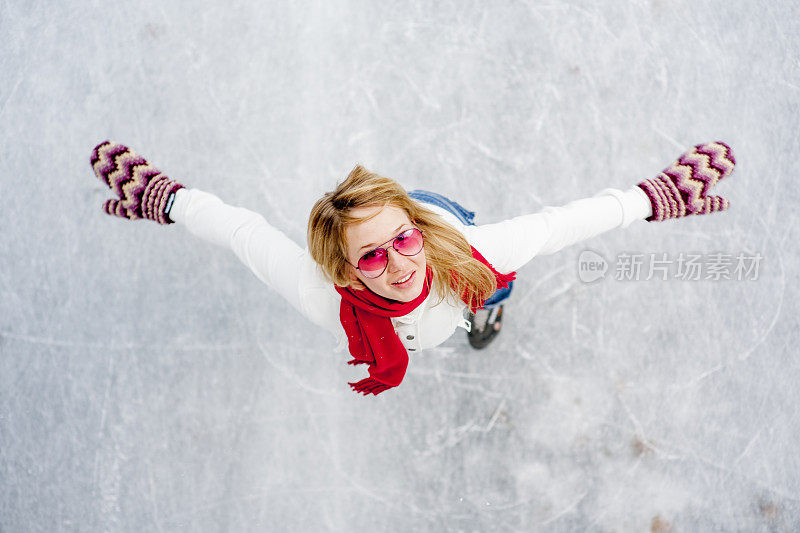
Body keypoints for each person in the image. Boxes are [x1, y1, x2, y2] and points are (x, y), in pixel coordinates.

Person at [90, 141, 735, 396]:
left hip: (445, 222)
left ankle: (487, 307)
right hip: (414, 227)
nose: (397, 264)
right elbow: (244, 234)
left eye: (399, 243)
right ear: (345, 272)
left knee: (489, 285)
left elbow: (561, 223)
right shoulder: (326, 298)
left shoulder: (463, 250)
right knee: (458, 293)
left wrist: (652, 198)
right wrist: (170, 201)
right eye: (371, 256)